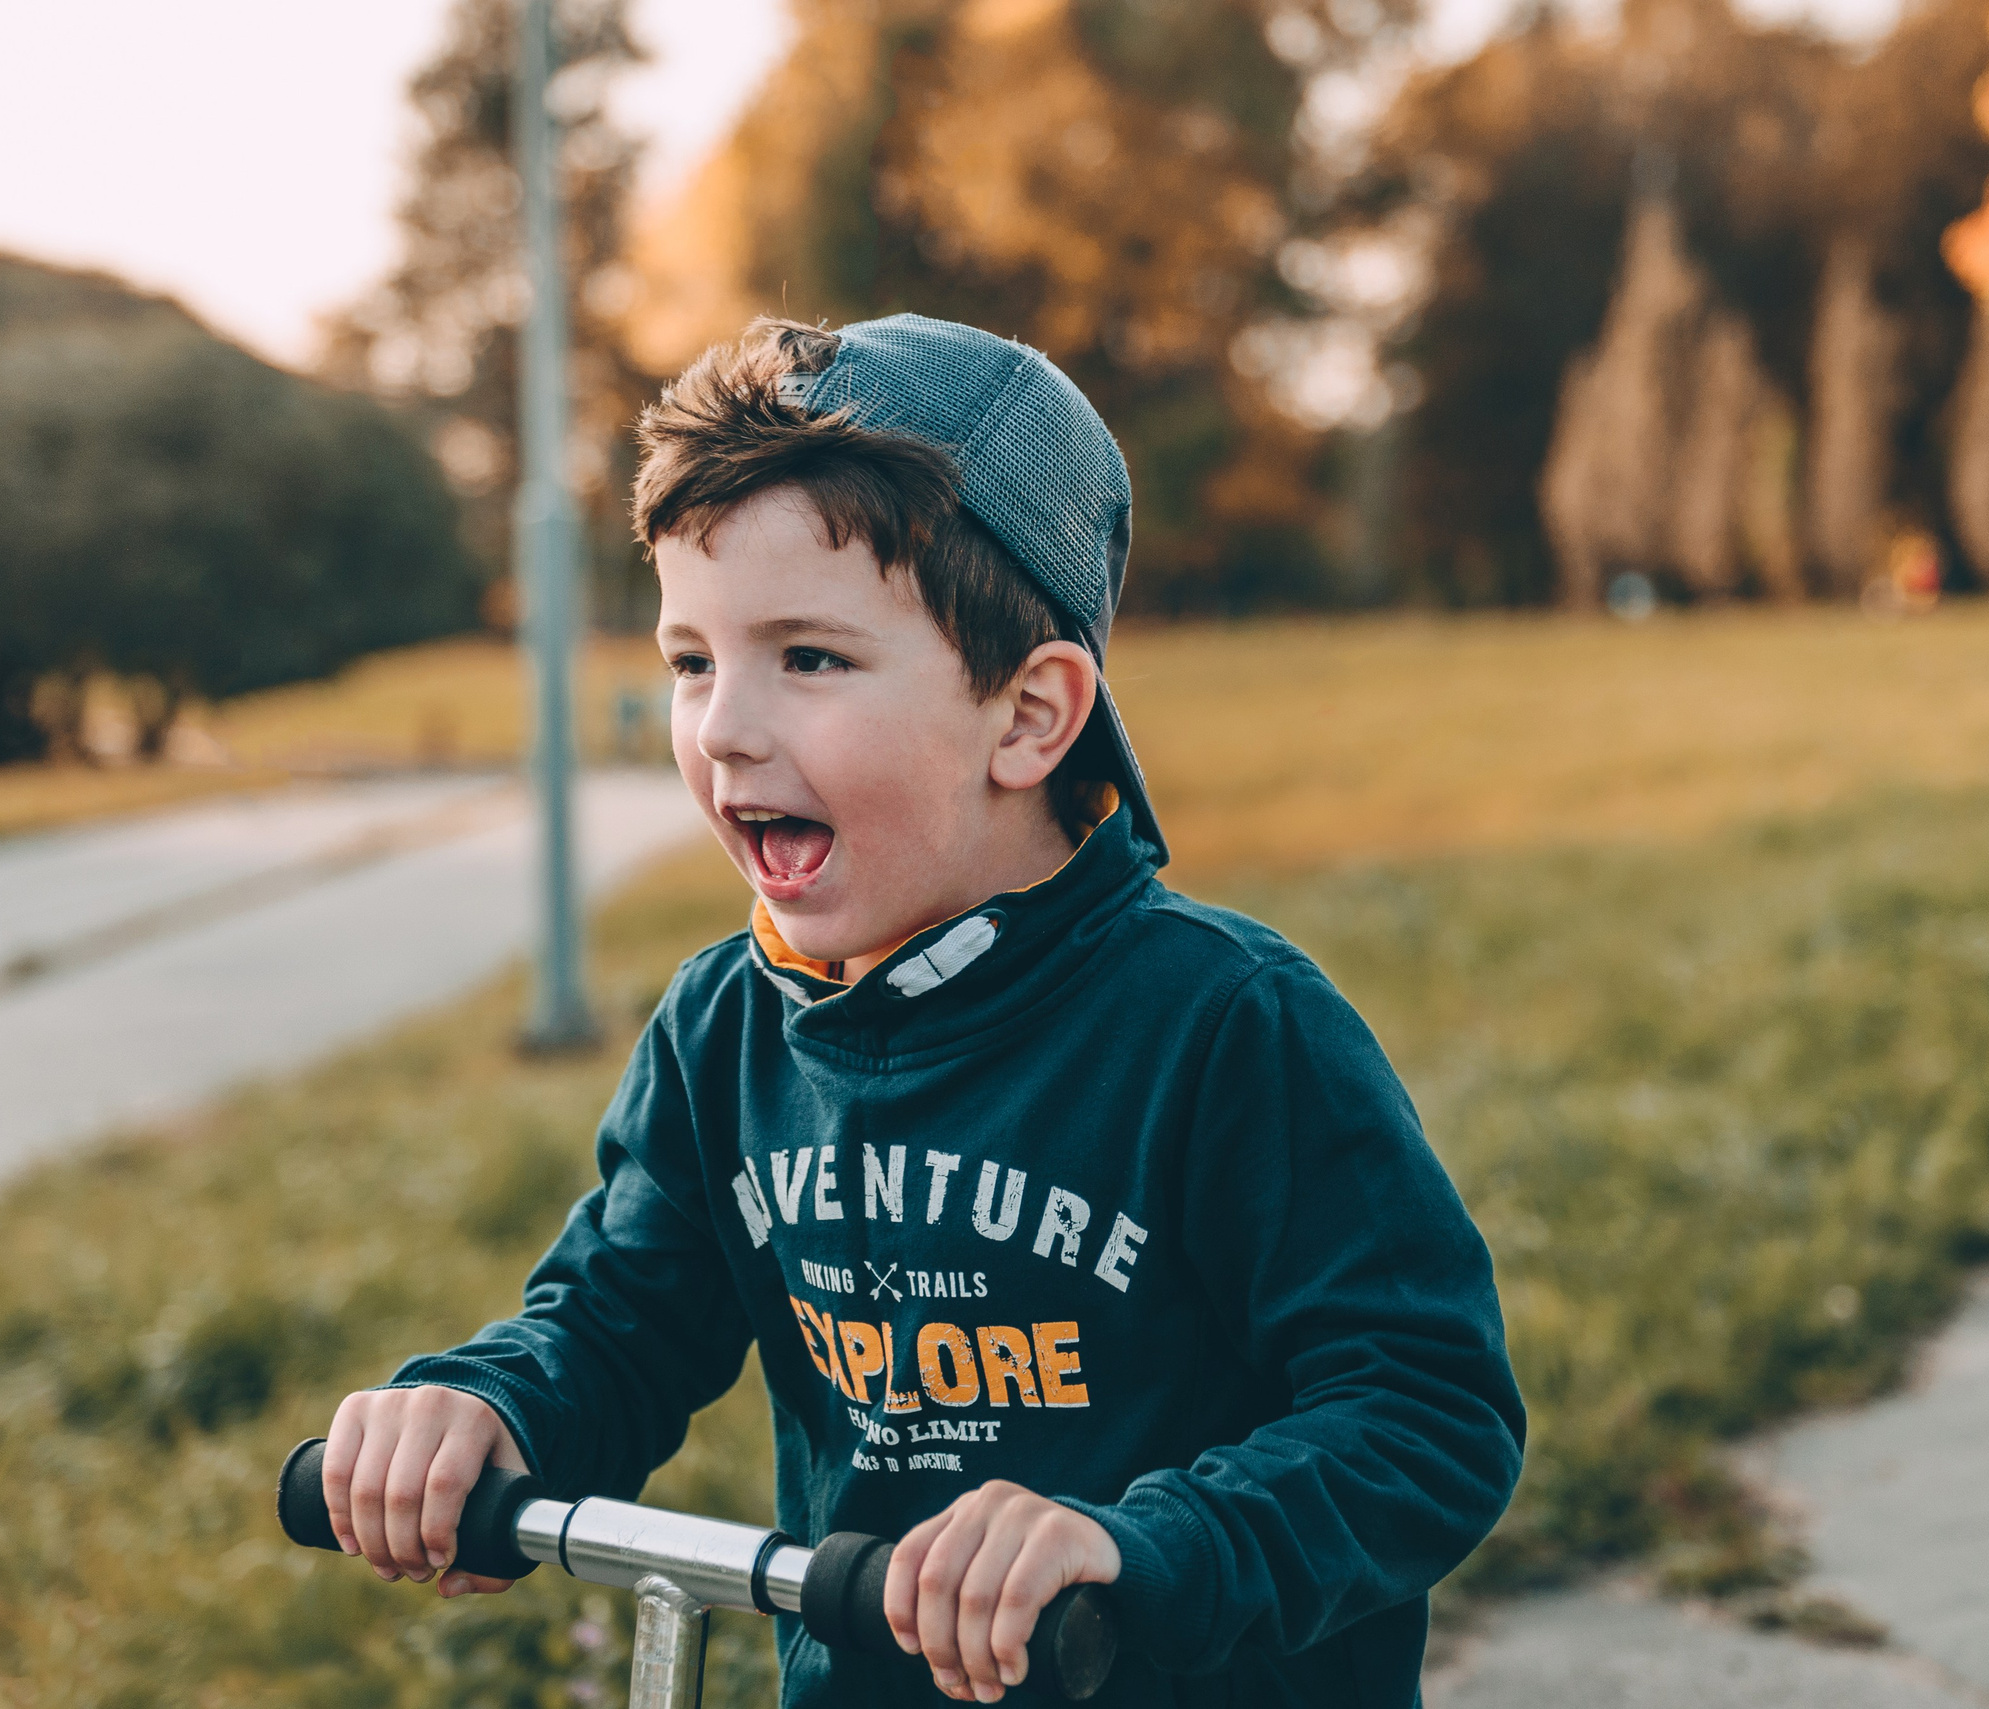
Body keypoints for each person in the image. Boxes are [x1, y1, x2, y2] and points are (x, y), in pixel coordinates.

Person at [318, 314, 1525, 1707]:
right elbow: (619, 1320)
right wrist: (497, 1406)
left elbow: (1427, 1411)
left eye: (808, 658)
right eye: (692, 660)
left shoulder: (1224, 1028)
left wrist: (1148, 1547)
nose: (721, 728)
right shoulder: (726, 1034)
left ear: (1027, 718)